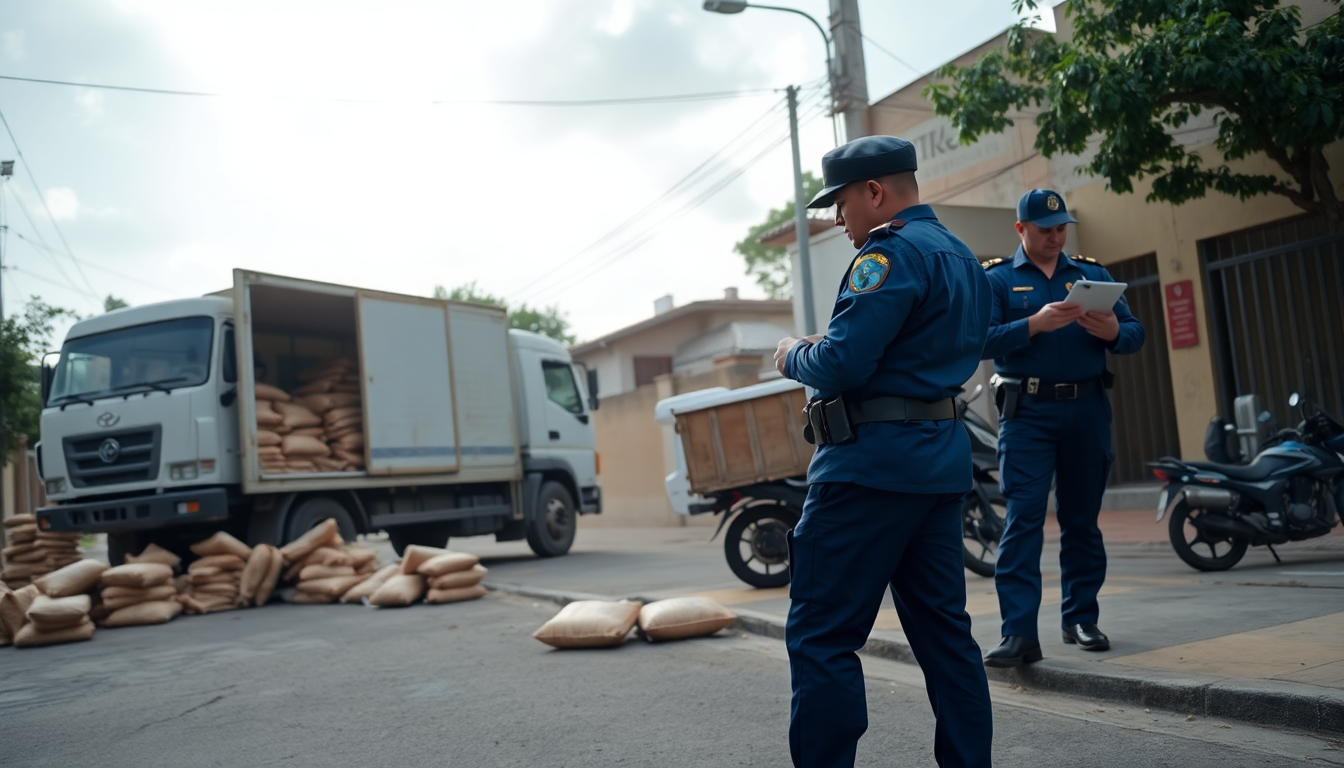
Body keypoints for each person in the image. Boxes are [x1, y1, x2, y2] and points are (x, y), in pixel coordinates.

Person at [773, 135, 994, 768]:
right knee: (947, 641)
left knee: (822, 637)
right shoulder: (959, 254)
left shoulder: (887, 257)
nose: (838, 219)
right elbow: (936, 342)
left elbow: (842, 361)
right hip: (937, 469)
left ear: (874, 192)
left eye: (840, 204)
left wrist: (793, 353)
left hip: (868, 471)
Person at [980, 189, 1145, 668]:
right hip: (1027, 414)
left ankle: (1080, 619)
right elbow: (979, 341)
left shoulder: (1092, 274)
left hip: (1088, 409)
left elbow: (1134, 334)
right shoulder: (997, 280)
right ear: (1020, 230)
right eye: (1045, 229)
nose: (1055, 237)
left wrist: (1114, 333)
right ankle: (1019, 635)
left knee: (1081, 521)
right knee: (1024, 521)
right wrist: (1033, 324)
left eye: (1061, 228)